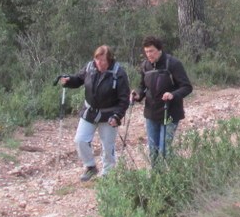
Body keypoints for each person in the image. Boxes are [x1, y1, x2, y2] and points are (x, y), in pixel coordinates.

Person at [59, 44, 131, 181]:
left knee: (108, 146)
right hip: (90, 111)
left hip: (109, 114)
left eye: (102, 60)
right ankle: (90, 166)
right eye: (97, 59)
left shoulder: (118, 73)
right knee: (80, 140)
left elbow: (124, 99)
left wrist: (117, 115)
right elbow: (79, 80)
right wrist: (68, 81)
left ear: (109, 60)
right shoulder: (90, 67)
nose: (99, 63)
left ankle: (108, 175)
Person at [131, 36, 192, 165]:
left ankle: (178, 175)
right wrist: (137, 95)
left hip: (170, 112)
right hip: (151, 113)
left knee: (165, 150)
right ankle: (157, 179)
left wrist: (173, 94)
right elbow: (143, 86)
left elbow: (187, 87)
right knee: (153, 151)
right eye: (146, 51)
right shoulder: (145, 66)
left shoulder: (173, 64)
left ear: (159, 50)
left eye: (151, 51)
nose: (149, 54)